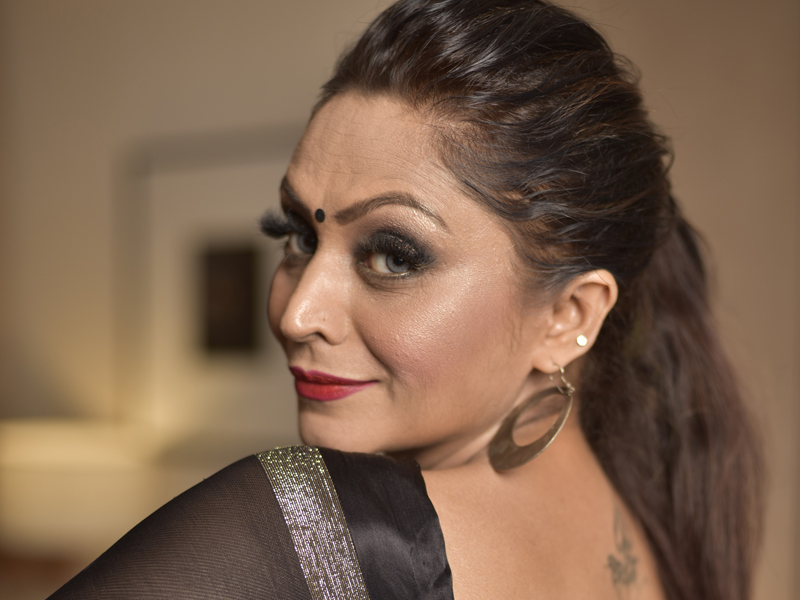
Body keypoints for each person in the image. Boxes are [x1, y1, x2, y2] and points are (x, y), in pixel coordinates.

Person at [49, 1, 762, 599]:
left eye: (394, 256)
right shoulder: (654, 539)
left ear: (568, 316)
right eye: (298, 236)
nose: (297, 314)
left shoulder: (325, 530)